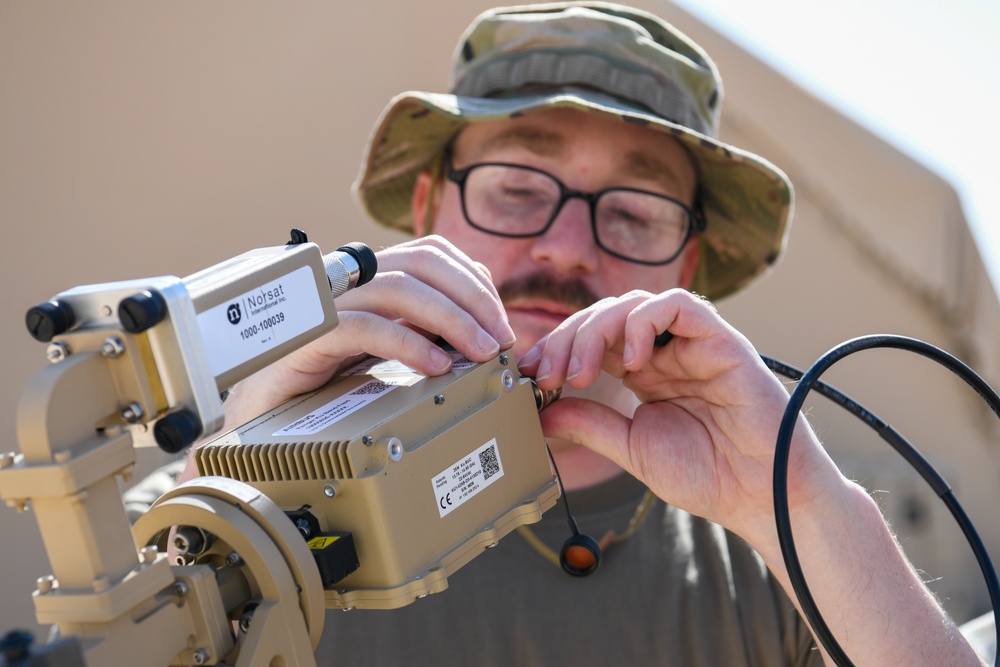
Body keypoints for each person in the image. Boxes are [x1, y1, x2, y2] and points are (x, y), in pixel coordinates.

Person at [170, 3, 985, 665]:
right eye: (518, 188)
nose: (566, 247)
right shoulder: (262, 494)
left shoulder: (773, 555)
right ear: (427, 212)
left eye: (634, 213)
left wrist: (802, 505)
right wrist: (231, 474)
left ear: (686, 270)